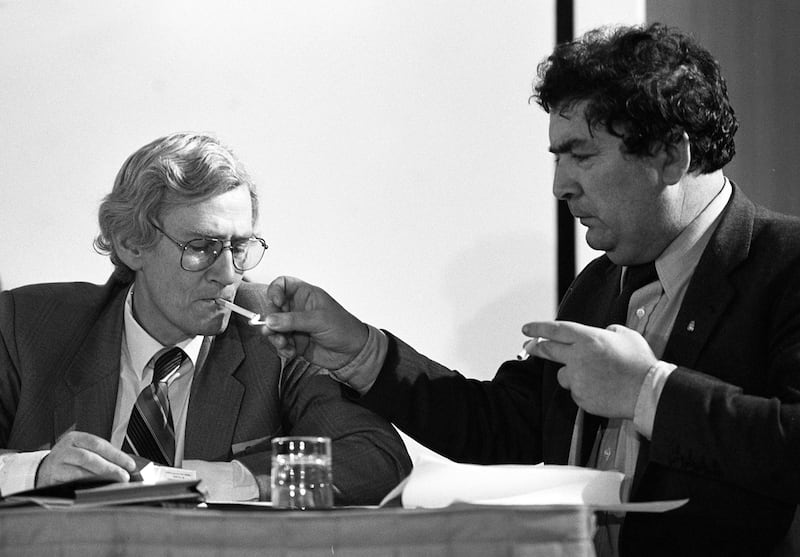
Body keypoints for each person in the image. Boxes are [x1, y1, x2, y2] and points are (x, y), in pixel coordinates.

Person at [259, 23, 800, 556]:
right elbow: (504, 425)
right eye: (556, 158)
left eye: (582, 155)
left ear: (670, 155)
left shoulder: (787, 263)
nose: (560, 185)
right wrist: (361, 351)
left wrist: (648, 392)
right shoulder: (599, 282)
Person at [0, 132, 411, 504]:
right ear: (130, 245)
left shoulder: (279, 332)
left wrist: (210, 481)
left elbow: (377, 459)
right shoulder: (27, 325)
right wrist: (35, 472)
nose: (229, 272)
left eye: (240, 246)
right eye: (201, 246)